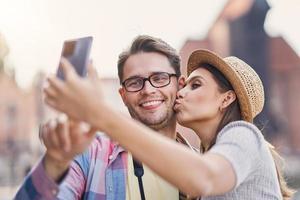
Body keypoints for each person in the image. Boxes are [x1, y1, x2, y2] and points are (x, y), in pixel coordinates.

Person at [43, 49, 295, 199]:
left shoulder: (244, 134)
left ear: (226, 98)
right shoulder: (199, 158)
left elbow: (203, 177)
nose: (181, 93)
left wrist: (99, 113)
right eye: (184, 85)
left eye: (195, 85)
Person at [15, 35, 195, 200]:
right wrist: (55, 162)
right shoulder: (88, 152)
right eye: (135, 82)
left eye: (160, 78)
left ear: (180, 85)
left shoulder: (200, 164)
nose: (148, 90)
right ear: (123, 95)